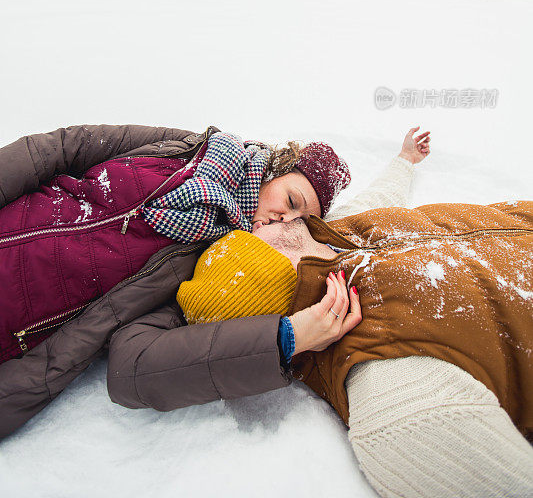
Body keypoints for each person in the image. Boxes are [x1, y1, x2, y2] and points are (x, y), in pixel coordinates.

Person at [171, 130, 533, 498]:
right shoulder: (386, 377)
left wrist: (405, 159)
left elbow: (382, 194)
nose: (258, 221)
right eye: (250, 238)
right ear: (267, 277)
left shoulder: (332, 231)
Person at [0, 120, 353, 435]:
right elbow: (64, 148)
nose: (284, 219)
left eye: (299, 221)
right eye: (291, 199)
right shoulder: (192, 151)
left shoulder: (212, 266)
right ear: (275, 171)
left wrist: (284, 339)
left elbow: (135, 365)